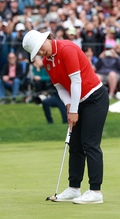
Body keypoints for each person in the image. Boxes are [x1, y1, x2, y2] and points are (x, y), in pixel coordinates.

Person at [23, 30, 109, 204]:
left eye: (40, 48)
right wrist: (69, 104)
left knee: (90, 143)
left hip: (95, 98)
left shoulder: (66, 48)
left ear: (47, 39)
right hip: (78, 101)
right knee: (75, 145)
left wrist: (73, 110)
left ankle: (95, 191)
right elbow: (60, 87)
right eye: (37, 52)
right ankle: (74, 189)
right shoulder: (48, 61)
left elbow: (76, 82)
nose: (41, 52)